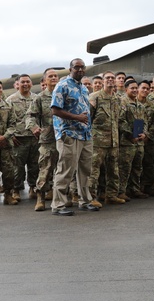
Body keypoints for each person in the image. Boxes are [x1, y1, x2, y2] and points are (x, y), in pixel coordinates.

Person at [50, 58, 98, 216]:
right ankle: (58, 205)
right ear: (70, 69)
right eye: (76, 67)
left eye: (82, 67)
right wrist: (77, 117)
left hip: (85, 134)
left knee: (85, 170)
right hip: (69, 134)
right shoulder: (62, 86)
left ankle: (85, 201)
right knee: (65, 169)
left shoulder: (84, 88)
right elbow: (55, 110)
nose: (80, 70)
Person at [88, 72, 124, 206]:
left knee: (113, 170)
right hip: (97, 142)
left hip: (113, 141)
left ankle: (111, 195)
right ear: (103, 81)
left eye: (112, 78)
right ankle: (90, 198)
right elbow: (87, 120)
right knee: (93, 170)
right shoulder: (94, 97)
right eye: (107, 78)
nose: (110, 80)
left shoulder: (117, 98)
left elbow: (117, 119)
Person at [28, 68, 60, 212]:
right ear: (45, 80)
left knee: (64, 170)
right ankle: (40, 197)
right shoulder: (40, 97)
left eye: (55, 76)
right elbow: (30, 116)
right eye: (50, 76)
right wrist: (34, 127)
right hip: (47, 139)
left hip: (65, 139)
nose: (53, 78)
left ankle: (61, 197)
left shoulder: (63, 95)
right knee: (45, 170)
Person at [7, 74, 39, 200]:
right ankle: (16, 190)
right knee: (17, 167)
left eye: (27, 82)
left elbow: (40, 117)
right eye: (23, 82)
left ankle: (33, 188)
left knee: (34, 165)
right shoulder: (11, 100)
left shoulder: (37, 98)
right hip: (18, 139)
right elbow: (6, 120)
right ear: (18, 84)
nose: (25, 84)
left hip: (34, 137)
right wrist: (11, 135)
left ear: (31, 84)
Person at [118, 79, 148, 200]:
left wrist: (144, 133)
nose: (135, 90)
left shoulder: (140, 105)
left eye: (136, 88)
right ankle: (121, 191)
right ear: (126, 90)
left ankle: (135, 189)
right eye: (132, 88)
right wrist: (130, 134)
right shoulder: (122, 103)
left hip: (139, 142)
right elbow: (120, 121)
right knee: (124, 168)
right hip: (127, 141)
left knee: (137, 167)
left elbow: (145, 121)